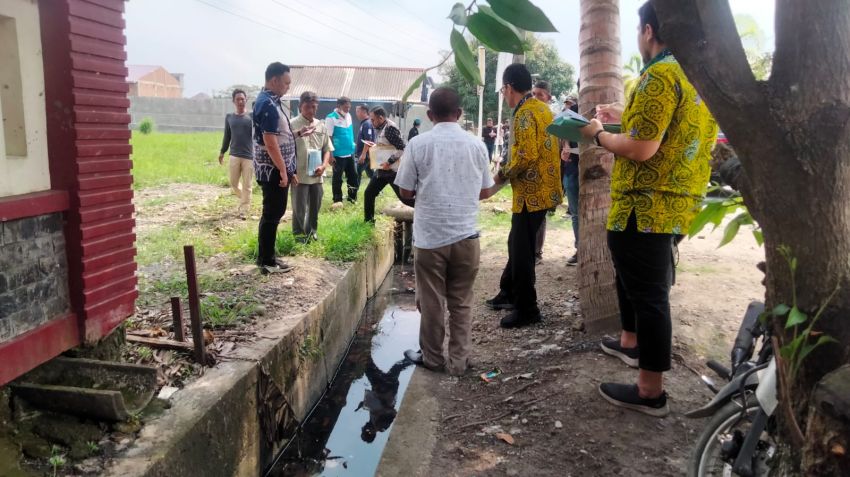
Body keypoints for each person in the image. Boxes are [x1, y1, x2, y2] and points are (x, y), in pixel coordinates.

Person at [579, 1, 718, 417]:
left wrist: (598, 134)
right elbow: (666, 132)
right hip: (674, 202)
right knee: (638, 282)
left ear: (648, 30)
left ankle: (649, 391)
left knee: (651, 296)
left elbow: (641, 148)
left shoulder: (659, 75)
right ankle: (630, 343)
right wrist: (624, 116)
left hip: (646, 205)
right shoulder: (695, 76)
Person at [396, 87, 496, 375]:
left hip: (430, 239)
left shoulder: (418, 144)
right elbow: (485, 191)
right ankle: (459, 362)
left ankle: (433, 358)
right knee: (461, 302)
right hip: (467, 237)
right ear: (460, 113)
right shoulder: (477, 145)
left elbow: (405, 191)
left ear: (430, 115)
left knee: (432, 303)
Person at [486, 64, 562, 328]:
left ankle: (527, 309)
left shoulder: (524, 113)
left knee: (521, 251)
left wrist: (501, 175)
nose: (504, 96)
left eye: (503, 90)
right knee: (517, 244)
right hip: (545, 189)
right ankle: (508, 292)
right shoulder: (543, 109)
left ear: (509, 87)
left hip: (531, 194)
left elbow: (525, 156)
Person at [253, 62, 313, 274]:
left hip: (276, 168)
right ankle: (267, 262)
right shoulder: (267, 104)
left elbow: (280, 137)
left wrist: (299, 133)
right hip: (272, 170)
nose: (288, 87)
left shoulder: (272, 101)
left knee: (273, 213)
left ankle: (267, 257)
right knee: (272, 214)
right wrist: (282, 170)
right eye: (286, 83)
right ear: (274, 80)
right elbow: (270, 142)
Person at [290, 91, 331, 242]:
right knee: (299, 207)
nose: (311, 110)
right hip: (299, 173)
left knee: (315, 205)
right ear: (300, 106)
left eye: (314, 107)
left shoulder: (321, 125)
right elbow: (286, 149)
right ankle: (299, 235)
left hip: (317, 173)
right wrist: (291, 172)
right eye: (307, 107)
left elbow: (327, 149)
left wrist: (324, 166)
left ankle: (312, 231)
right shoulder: (292, 125)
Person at [362, 106, 414, 223]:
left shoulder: (390, 128)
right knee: (369, 193)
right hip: (382, 170)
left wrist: (389, 162)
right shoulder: (381, 127)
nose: (371, 122)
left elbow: (402, 148)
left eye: (373, 120)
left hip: (393, 171)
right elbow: (387, 145)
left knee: (405, 199)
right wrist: (375, 146)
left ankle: (428, 211)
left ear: (380, 118)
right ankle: (368, 222)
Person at [218, 89, 254, 219]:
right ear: (233, 101)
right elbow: (227, 136)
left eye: (242, 99)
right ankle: (245, 198)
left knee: (247, 184)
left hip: (249, 156)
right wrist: (222, 151)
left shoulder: (252, 116)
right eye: (238, 99)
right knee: (233, 183)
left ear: (246, 100)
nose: (240, 101)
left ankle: (244, 209)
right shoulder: (229, 117)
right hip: (234, 154)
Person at [530, 80, 555, 265]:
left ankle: (537, 253)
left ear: (549, 98)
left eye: (540, 94)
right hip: (529, 173)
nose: (536, 97)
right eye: (533, 94)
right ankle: (529, 250)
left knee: (540, 214)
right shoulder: (528, 115)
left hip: (546, 173)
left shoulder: (553, 118)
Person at [326, 96, 357, 207]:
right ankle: (337, 200)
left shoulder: (349, 116)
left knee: (353, 176)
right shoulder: (331, 118)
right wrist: (331, 155)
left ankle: (352, 198)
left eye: (349, 107)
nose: (348, 109)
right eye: (345, 107)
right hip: (338, 154)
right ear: (339, 106)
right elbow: (328, 137)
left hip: (350, 152)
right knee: (337, 178)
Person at [562, 95, 580, 266]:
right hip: (572, 170)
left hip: (594, 173)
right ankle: (579, 249)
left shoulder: (598, 111)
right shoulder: (571, 112)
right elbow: (564, 131)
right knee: (575, 214)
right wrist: (566, 145)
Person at [355, 104, 375, 186]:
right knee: (371, 174)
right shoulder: (364, 123)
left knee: (356, 173)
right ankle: (377, 189)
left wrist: (363, 155)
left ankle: (353, 192)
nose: (356, 113)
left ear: (364, 112)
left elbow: (368, 140)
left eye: (358, 111)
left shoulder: (367, 124)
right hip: (366, 154)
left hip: (365, 155)